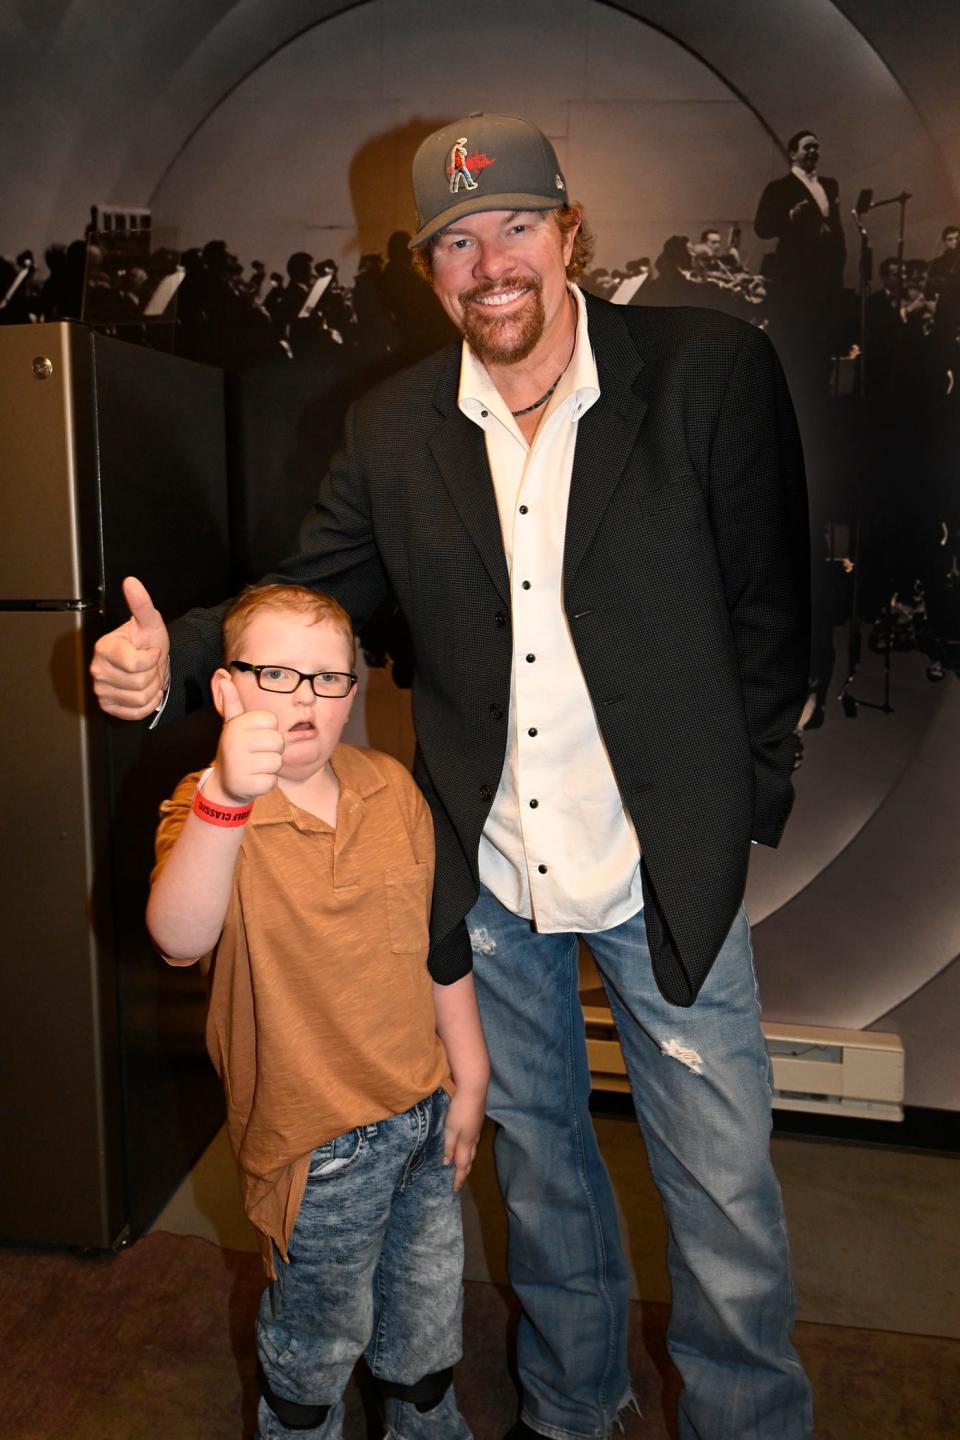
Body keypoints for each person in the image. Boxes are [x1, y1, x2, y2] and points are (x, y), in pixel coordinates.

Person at [91, 112, 813, 1440]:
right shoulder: (393, 429)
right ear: (430, 269)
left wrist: (745, 800)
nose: (492, 265)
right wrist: (176, 658)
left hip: (669, 870)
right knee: (538, 1175)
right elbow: (309, 597)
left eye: (518, 228)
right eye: (458, 241)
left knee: (721, 1197)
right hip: (490, 880)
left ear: (570, 232)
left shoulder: (708, 373)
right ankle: (567, 1408)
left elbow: (772, 617)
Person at [147, 583, 488, 1440]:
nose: (304, 698)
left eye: (329, 679)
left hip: (422, 1112)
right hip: (315, 1147)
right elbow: (179, 935)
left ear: (354, 694)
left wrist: (471, 1076)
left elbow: (439, 943)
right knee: (316, 1344)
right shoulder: (205, 808)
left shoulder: (391, 789)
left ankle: (425, 1416)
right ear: (226, 694)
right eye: (276, 675)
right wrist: (227, 794)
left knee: (428, 1321)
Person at [754, 129, 846, 394]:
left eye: (816, 147)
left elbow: (834, 225)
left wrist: (839, 261)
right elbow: (762, 228)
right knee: (797, 338)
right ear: (793, 154)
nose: (813, 152)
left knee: (821, 339)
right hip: (796, 278)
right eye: (807, 147)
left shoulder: (829, 185)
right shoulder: (778, 188)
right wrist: (789, 217)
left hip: (824, 277)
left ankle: (819, 390)